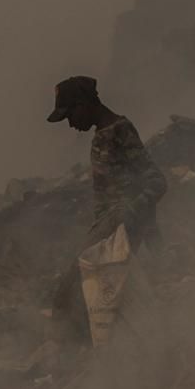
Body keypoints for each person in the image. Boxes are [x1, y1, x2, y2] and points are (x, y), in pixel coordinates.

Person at [46, 75, 166, 346]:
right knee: (92, 297)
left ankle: (72, 360)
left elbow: (156, 181)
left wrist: (128, 216)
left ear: (84, 103)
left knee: (71, 294)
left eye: (70, 115)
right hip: (107, 228)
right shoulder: (102, 135)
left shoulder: (119, 130)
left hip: (118, 231)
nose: (71, 123)